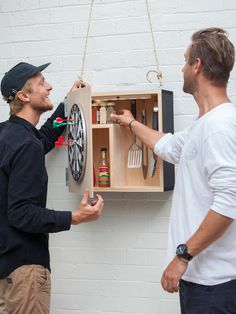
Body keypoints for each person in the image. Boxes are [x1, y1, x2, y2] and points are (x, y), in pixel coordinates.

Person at [111, 27, 236, 313]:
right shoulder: (203, 126)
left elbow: (229, 202)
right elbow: (168, 145)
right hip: (202, 283)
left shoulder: (219, 127)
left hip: (214, 287)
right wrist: (130, 123)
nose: (181, 68)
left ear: (197, 65)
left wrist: (182, 257)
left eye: (184, 60)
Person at [0, 62, 104, 314]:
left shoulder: (9, 134)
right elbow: (21, 213)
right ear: (24, 96)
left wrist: (69, 104)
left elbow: (43, 138)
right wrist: (75, 218)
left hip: (7, 268)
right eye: (41, 83)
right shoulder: (26, 144)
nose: (49, 86)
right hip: (23, 273)